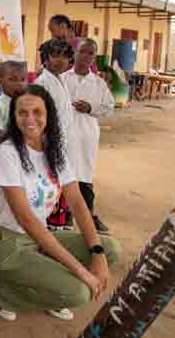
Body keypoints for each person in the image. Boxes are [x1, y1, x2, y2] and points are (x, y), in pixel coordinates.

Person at [0, 85, 120, 322]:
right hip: (6, 243)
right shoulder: (8, 152)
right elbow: (26, 219)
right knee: (78, 291)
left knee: (110, 249)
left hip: (39, 239)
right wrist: (80, 270)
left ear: (48, 115)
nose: (30, 119)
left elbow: (76, 201)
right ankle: (2, 293)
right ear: (13, 117)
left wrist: (97, 253)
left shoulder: (55, 151)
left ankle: (46, 286)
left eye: (37, 112)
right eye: (22, 112)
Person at [62, 39, 115, 234]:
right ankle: (63, 217)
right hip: (64, 135)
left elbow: (109, 108)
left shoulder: (98, 83)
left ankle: (89, 217)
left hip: (86, 136)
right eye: (82, 52)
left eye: (90, 54)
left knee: (84, 176)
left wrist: (91, 108)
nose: (85, 57)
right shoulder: (62, 79)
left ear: (94, 57)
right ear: (74, 53)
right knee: (63, 174)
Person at [35, 39, 80, 230]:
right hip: (50, 144)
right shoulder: (43, 83)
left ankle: (57, 228)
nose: (60, 60)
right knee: (49, 188)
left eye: (64, 56)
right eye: (55, 55)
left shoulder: (60, 80)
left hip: (63, 144)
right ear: (45, 58)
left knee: (59, 187)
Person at [0, 61, 28, 135]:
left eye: (23, 79)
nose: (19, 84)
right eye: (13, 79)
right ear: (0, 82)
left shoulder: (27, 103)